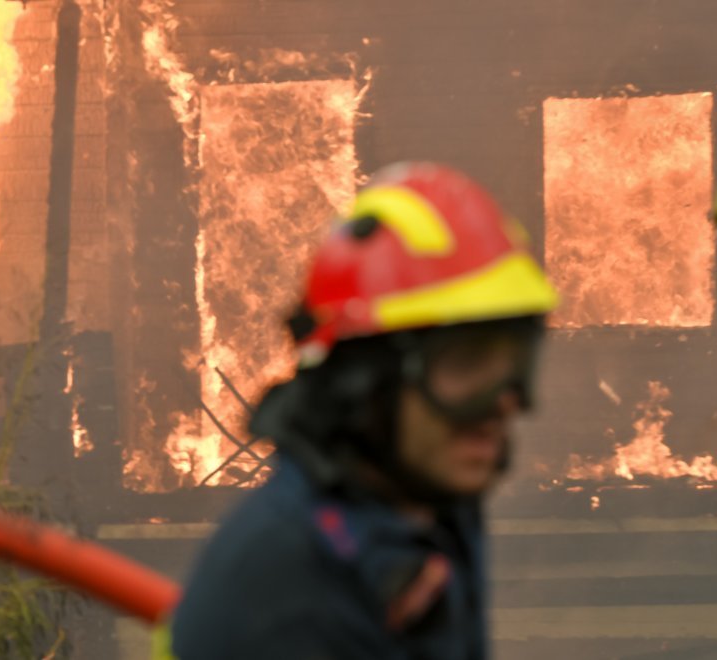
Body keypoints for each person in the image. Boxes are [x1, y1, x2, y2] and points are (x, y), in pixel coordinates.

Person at [158, 162, 560, 659]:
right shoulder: (291, 589)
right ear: (366, 384)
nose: (503, 403)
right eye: (466, 364)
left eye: (515, 366)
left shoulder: (430, 496)